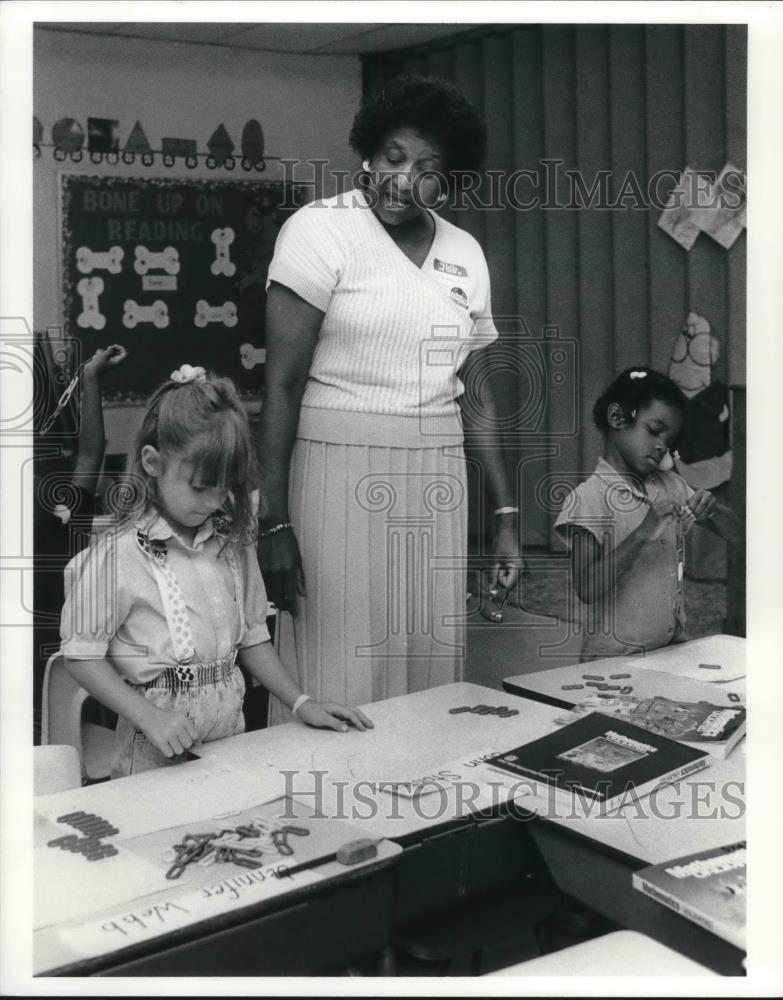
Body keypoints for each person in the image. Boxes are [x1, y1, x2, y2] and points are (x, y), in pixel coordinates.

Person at [258, 74, 521, 724]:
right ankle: (320, 814)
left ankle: (412, 815)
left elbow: (474, 393)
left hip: (435, 474)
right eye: (394, 159)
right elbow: (280, 386)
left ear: (446, 179)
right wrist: (273, 521)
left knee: (427, 662)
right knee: (340, 666)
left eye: (428, 169)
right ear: (368, 157)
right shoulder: (318, 231)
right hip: (333, 473)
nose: (405, 180)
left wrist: (507, 514)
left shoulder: (465, 252)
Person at [60, 365, 372, 778]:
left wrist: (302, 703)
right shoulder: (119, 555)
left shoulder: (232, 544)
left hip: (231, 737)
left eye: (224, 488)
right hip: (154, 749)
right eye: (200, 486)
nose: (213, 502)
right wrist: (149, 715)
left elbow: (253, 637)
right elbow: (80, 655)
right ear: (153, 463)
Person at [554, 367, 740, 661]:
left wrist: (712, 507)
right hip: (611, 658)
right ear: (617, 418)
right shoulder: (587, 499)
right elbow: (587, 589)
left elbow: (738, 533)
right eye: (654, 431)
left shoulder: (672, 486)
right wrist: (643, 533)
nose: (661, 446)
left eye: (669, 441)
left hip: (668, 649)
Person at [34, 344, 128, 740]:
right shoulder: (61, 511)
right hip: (66, 728)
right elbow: (91, 454)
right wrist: (91, 377)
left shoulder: (56, 512)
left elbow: (90, 455)